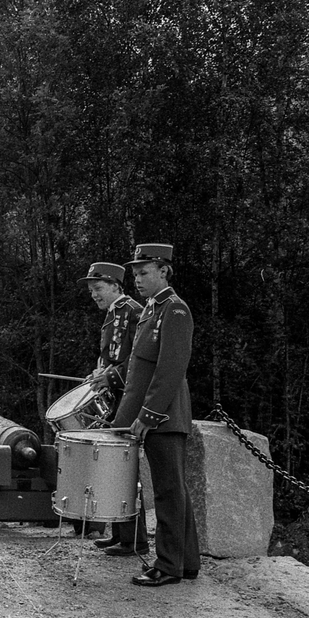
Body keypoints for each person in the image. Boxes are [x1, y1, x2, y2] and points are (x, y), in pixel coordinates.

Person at [111, 243, 199, 587]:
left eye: (144, 272)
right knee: (173, 489)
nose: (137, 279)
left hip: (164, 415)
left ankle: (168, 565)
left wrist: (147, 416)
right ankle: (186, 561)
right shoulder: (152, 309)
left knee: (167, 492)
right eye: (134, 273)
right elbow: (138, 372)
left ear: (164, 271)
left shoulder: (174, 310)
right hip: (153, 414)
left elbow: (170, 369)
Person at [77, 261, 143, 551]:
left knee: (124, 469)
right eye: (91, 290)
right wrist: (98, 373)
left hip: (130, 399)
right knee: (116, 467)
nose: (94, 295)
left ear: (117, 286)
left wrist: (111, 376)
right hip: (116, 395)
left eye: (99, 288)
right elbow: (111, 357)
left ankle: (133, 540)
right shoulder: (114, 313)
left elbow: (139, 361)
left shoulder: (134, 312)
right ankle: (120, 534)